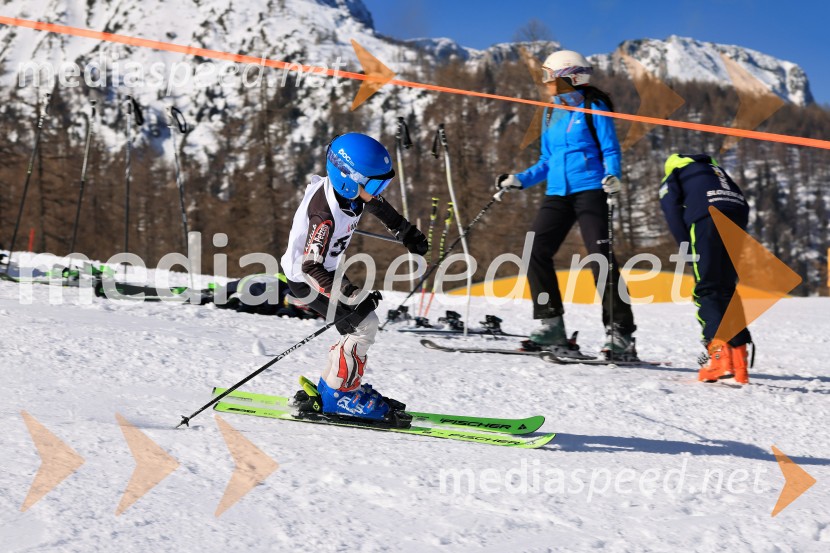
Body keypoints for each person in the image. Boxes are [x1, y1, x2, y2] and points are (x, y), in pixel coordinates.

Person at [496, 49, 637, 359]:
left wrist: (612, 176)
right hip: (557, 193)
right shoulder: (551, 112)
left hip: (590, 189)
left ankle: (621, 332)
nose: (546, 83)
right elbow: (547, 160)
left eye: (550, 77)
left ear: (569, 78)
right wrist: (520, 179)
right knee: (535, 250)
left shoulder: (593, 107)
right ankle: (551, 323)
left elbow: (611, 150)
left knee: (600, 256)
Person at [280, 132, 428, 423]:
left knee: (360, 325)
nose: (376, 190)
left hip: (328, 271)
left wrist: (404, 230)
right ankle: (340, 395)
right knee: (363, 325)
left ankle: (333, 387)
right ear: (348, 178)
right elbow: (311, 267)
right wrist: (349, 293)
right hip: (307, 277)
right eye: (374, 183)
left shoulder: (349, 191)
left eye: (382, 183)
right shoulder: (323, 216)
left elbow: (376, 204)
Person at [659, 153, 752, 384]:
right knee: (726, 289)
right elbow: (743, 202)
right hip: (736, 216)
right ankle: (740, 365)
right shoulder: (717, 172)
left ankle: (719, 360)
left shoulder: (676, 172)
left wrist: (686, 248)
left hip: (706, 217)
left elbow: (671, 210)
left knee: (707, 289)